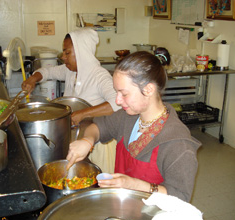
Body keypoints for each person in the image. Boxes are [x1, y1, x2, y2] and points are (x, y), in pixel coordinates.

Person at [66, 51, 201, 202]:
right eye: (116, 92)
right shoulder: (127, 118)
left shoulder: (178, 143)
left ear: (149, 89)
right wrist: (87, 141)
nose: (117, 101)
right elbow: (97, 127)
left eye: (123, 94)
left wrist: (135, 185)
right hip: (123, 205)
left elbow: (180, 197)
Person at [22, 28, 120, 173]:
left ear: (82, 52)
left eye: (67, 53)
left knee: (98, 183)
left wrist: (82, 114)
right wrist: (33, 79)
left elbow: (117, 103)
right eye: (63, 52)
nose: (63, 57)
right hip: (76, 141)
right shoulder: (70, 71)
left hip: (98, 145)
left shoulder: (100, 76)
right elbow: (47, 71)